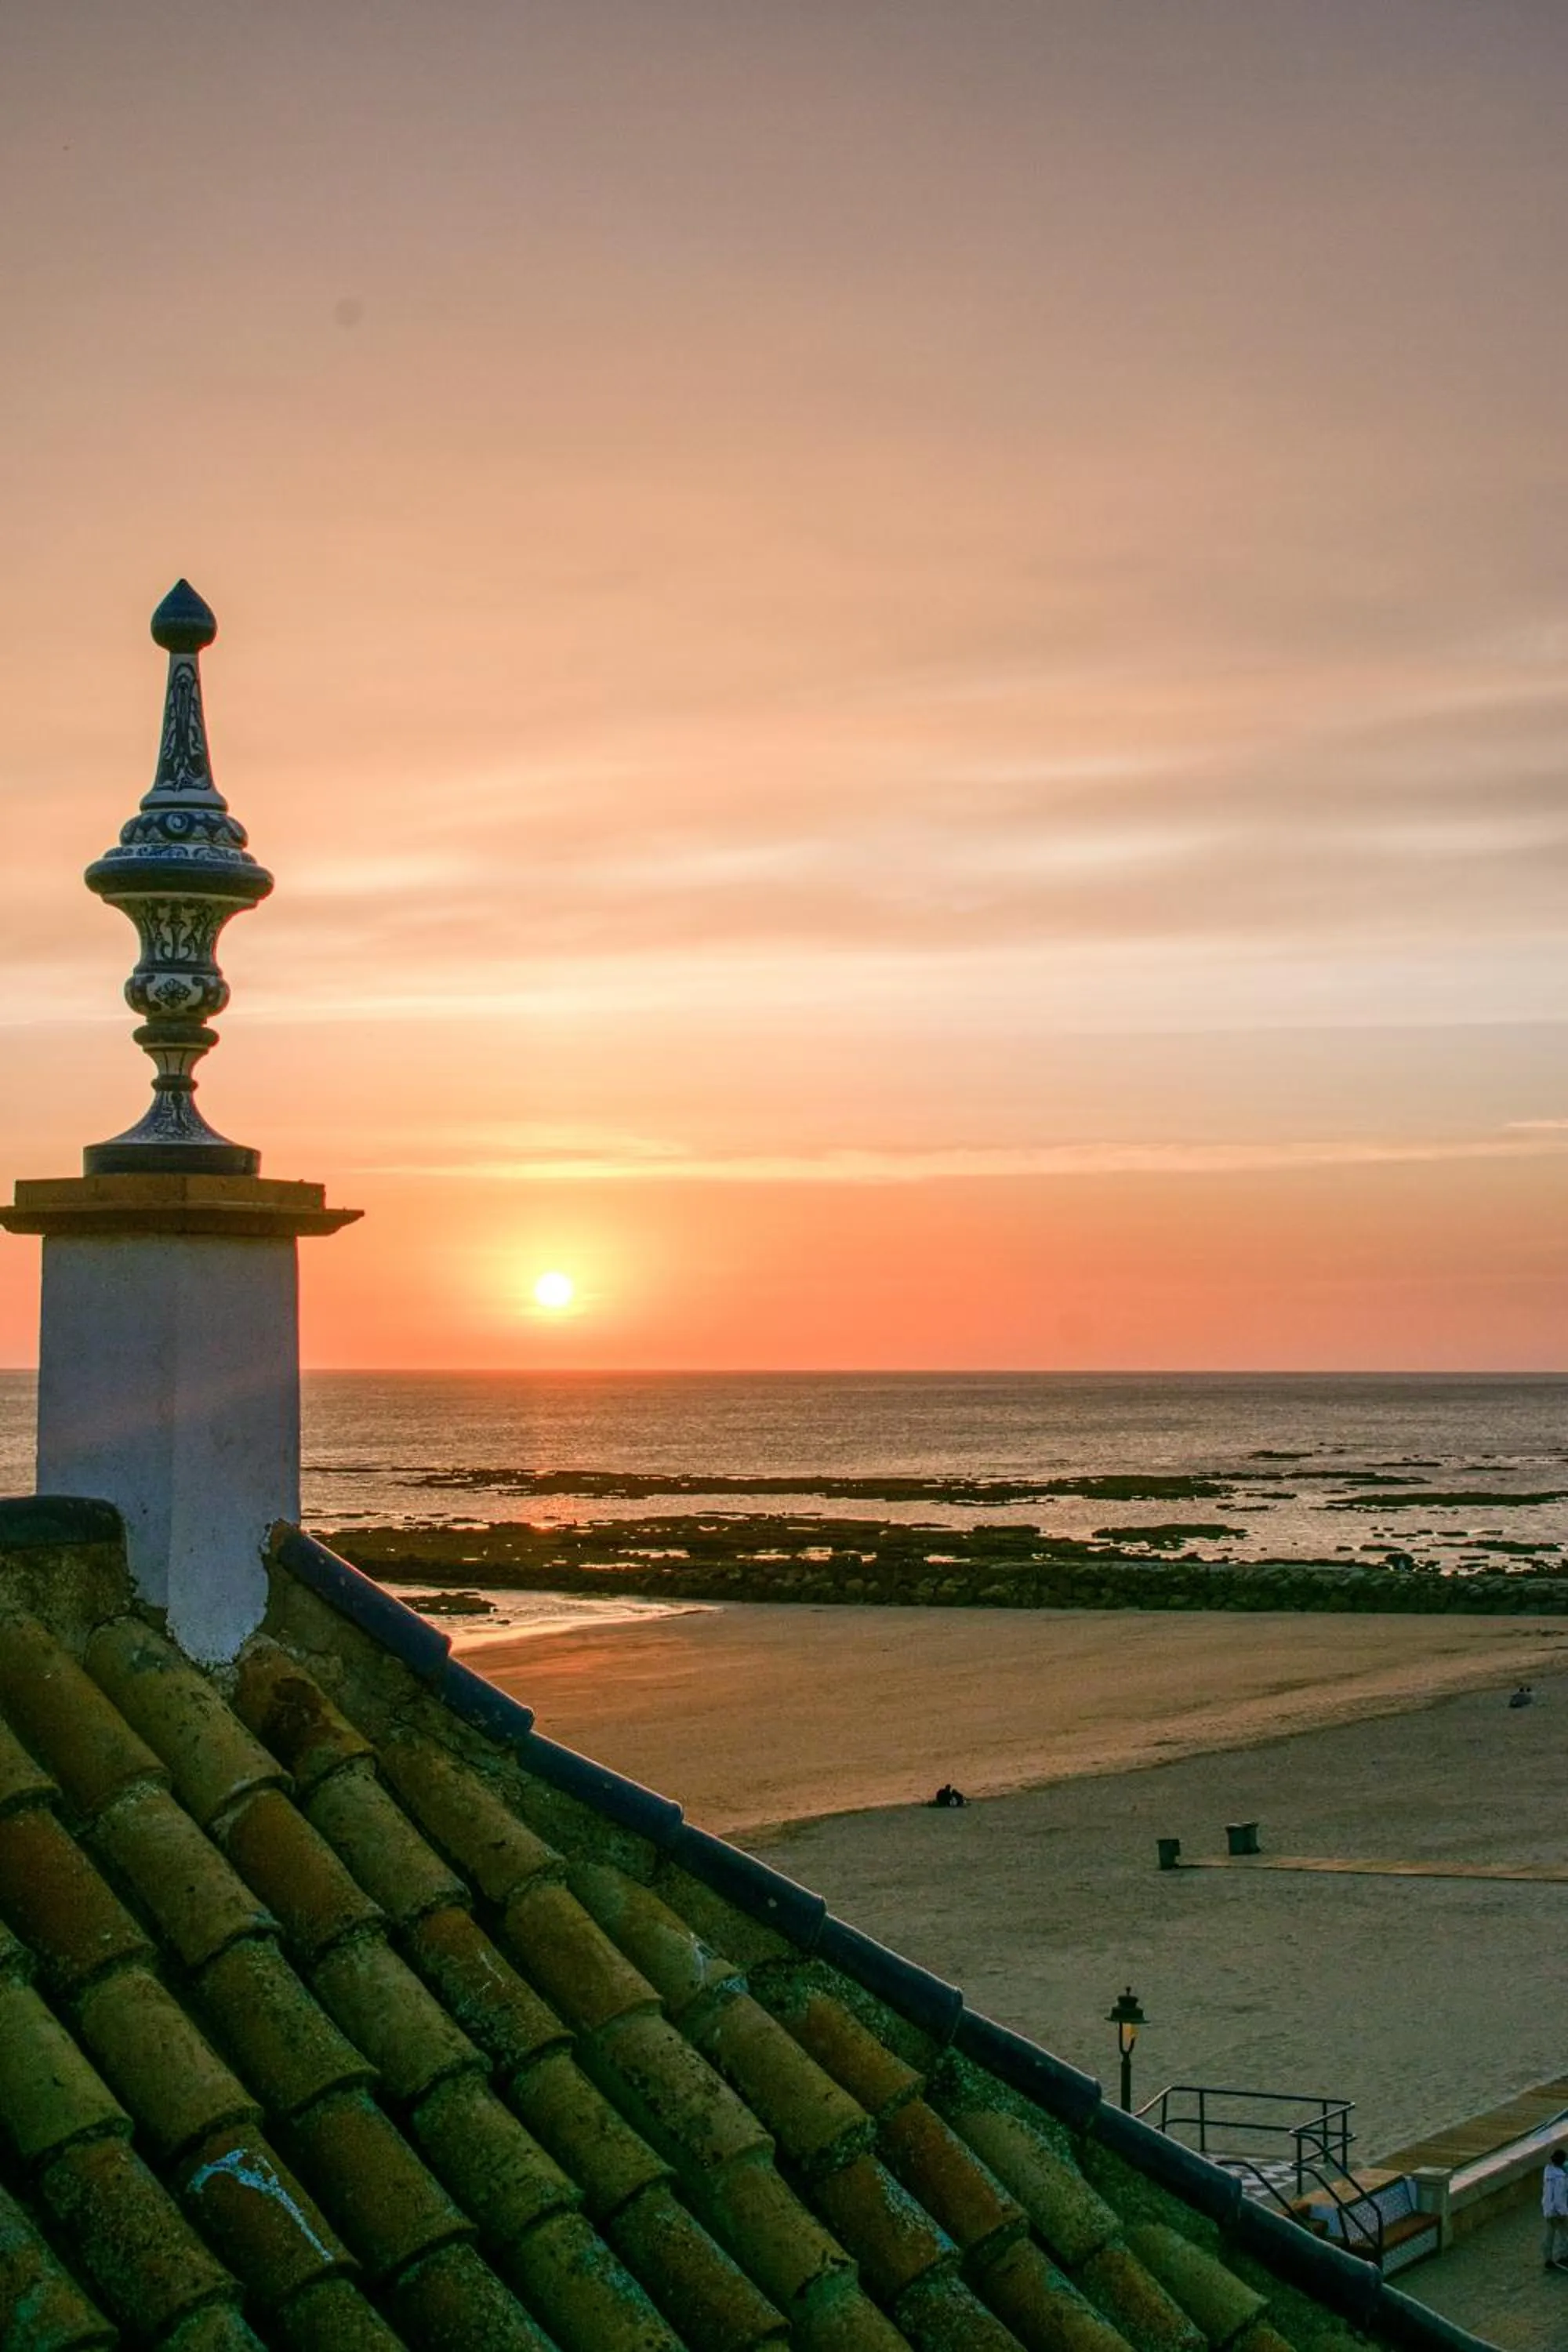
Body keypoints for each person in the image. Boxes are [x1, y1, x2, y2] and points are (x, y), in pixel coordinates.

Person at [1541, 2147, 1568, 2270]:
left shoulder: (1548, 2172)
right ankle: (1564, 2257)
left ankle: (1548, 2259)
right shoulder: (1561, 2178)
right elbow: (1559, 2197)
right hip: (1558, 2211)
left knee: (1549, 2235)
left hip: (1548, 2210)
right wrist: (1563, 2212)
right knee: (1564, 2234)